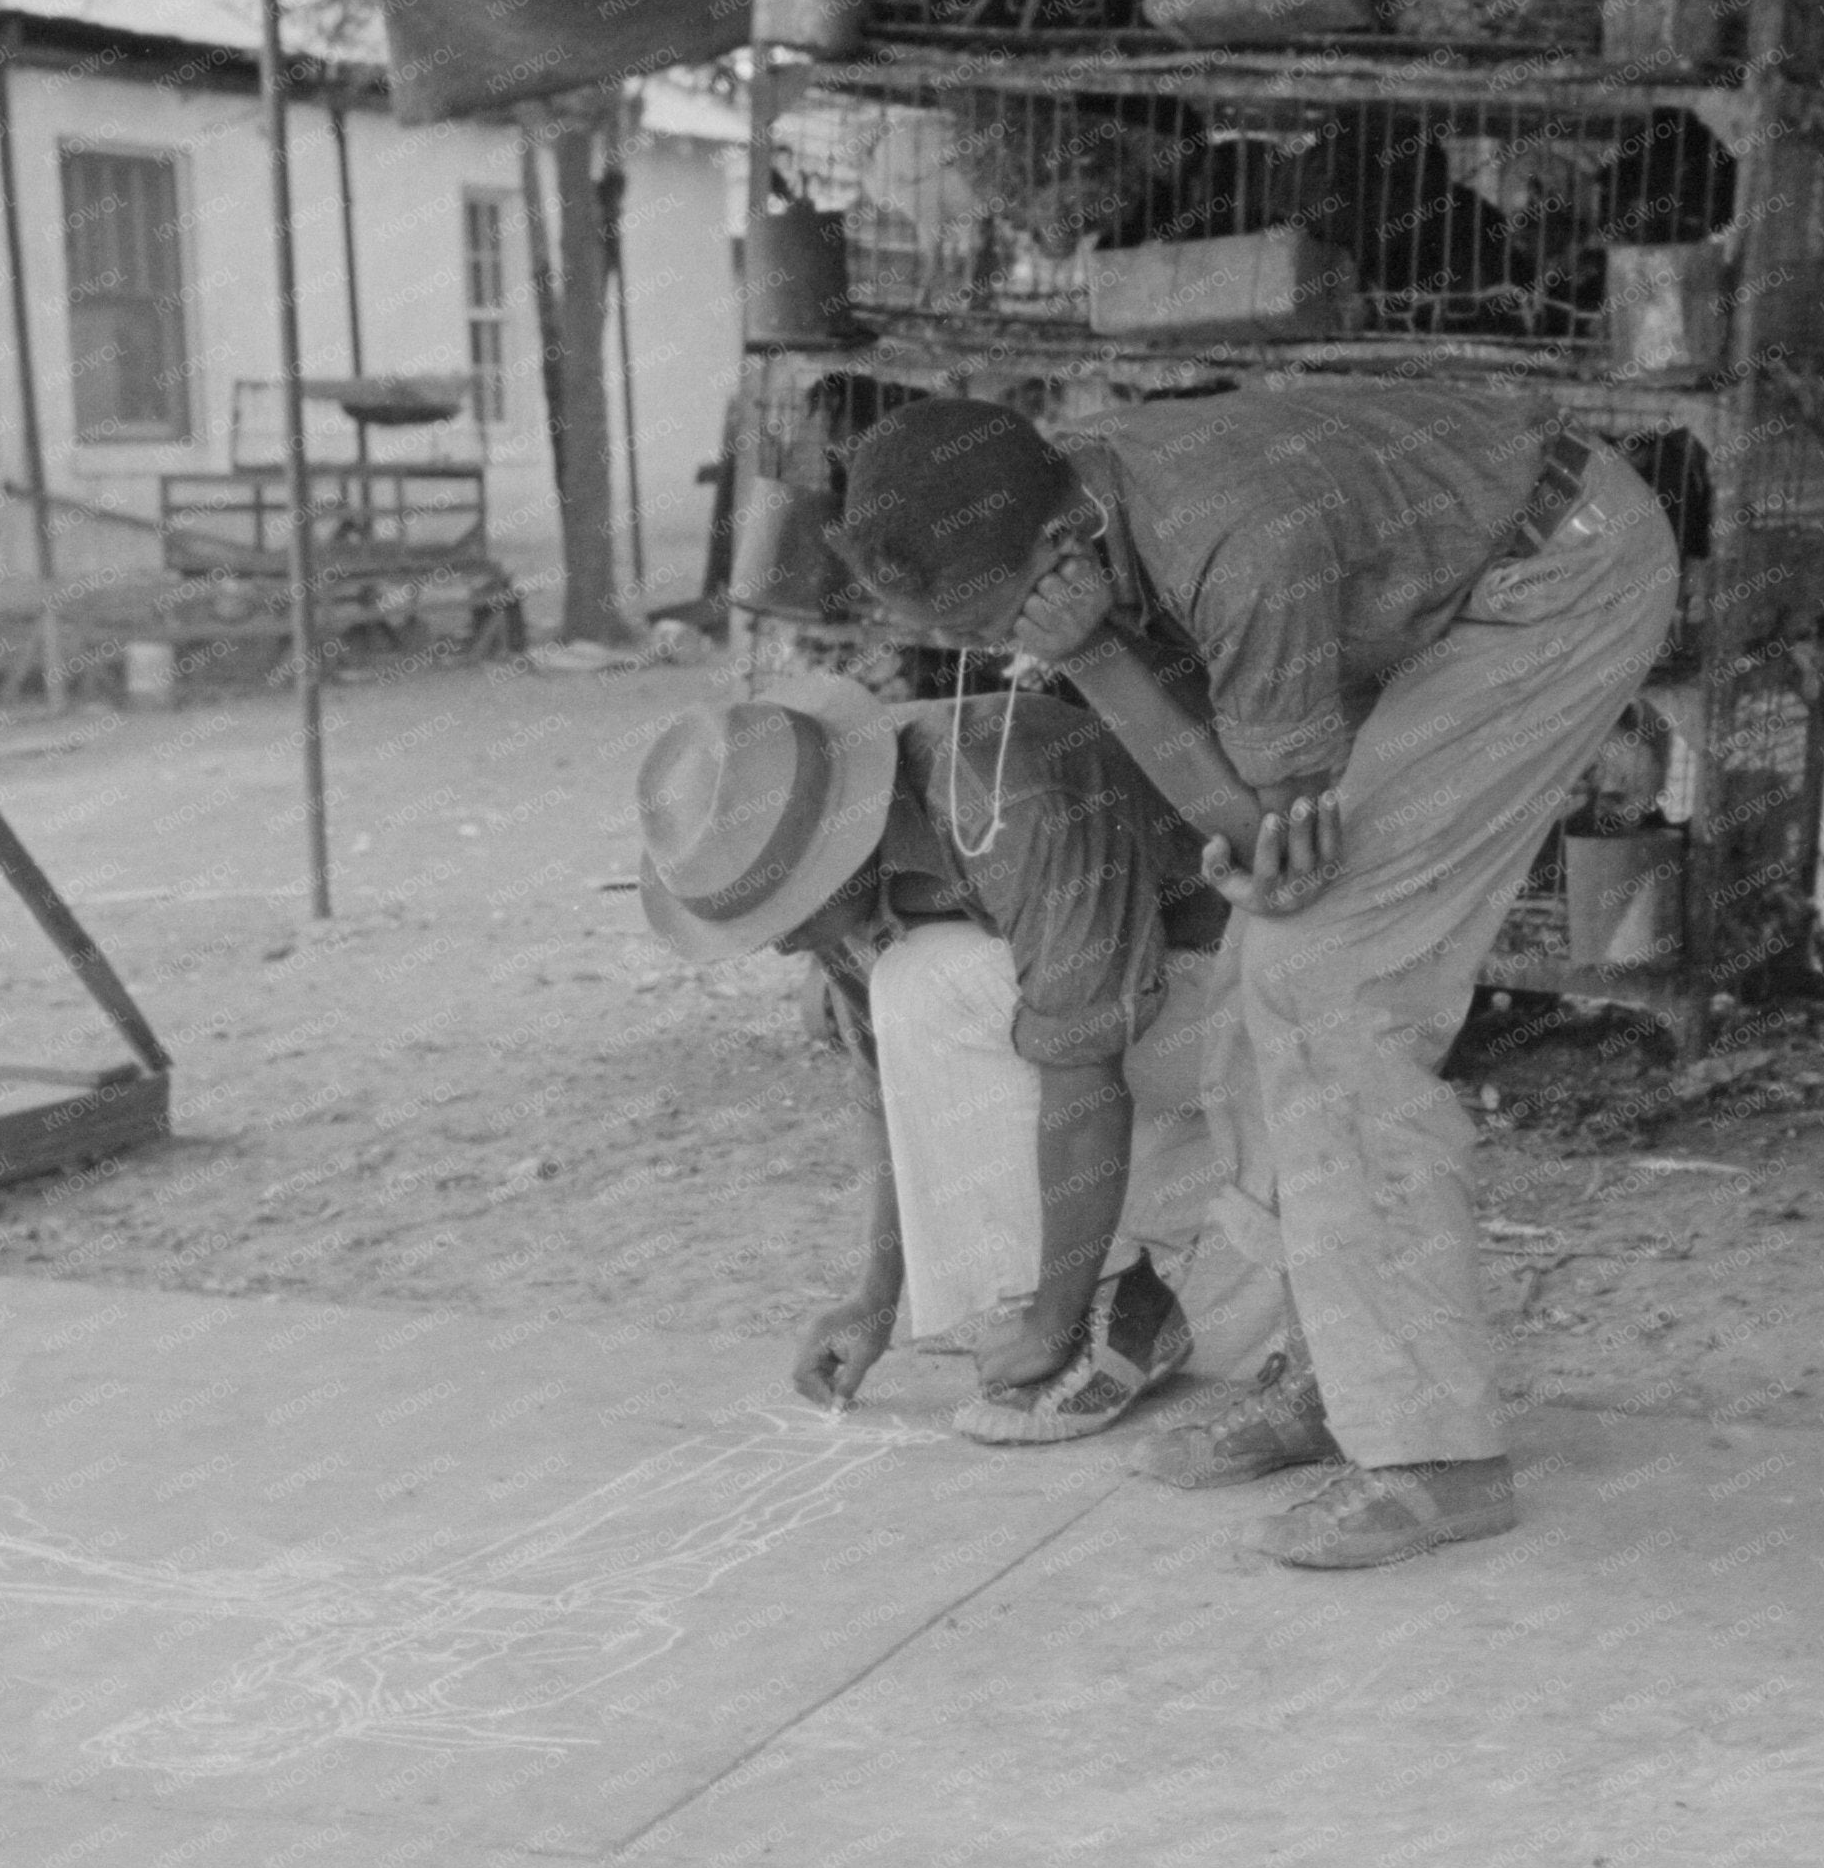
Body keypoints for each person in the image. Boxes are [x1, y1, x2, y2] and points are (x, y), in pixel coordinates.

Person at [837, 384, 1676, 1569]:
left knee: (1329, 984)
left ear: (1058, 540)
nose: (994, 659)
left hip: (1557, 577)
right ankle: (1332, 1374)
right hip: (1444, 578)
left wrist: (1091, 658)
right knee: (1259, 983)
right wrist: (1088, 649)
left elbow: (1282, 853)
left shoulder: (1237, 541)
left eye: (1003, 622)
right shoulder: (1092, 502)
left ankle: (1432, 1452)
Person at [633, 671, 1232, 1445]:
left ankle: (1118, 1313)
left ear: (833, 850)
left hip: (1235, 1005)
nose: (781, 942)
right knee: (912, 984)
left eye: (786, 913)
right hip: (1130, 1018)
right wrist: (872, 1300)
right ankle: (1068, 1296)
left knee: (932, 982)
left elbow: (1084, 1073)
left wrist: (1053, 1322)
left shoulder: (1006, 796)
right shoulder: (825, 840)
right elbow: (892, 1089)